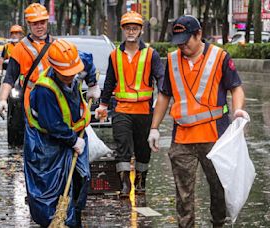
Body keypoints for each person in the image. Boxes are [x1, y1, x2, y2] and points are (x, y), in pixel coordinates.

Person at [147, 15, 250, 227]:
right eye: (179, 42)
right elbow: (164, 95)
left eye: (187, 40)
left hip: (215, 138)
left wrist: (238, 110)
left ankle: (218, 223)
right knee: (183, 193)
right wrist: (154, 128)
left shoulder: (220, 57)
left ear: (199, 35)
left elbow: (236, 88)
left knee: (218, 188)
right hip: (182, 138)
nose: (183, 46)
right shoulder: (173, 61)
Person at [0, 2, 100, 143]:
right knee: (37, 142)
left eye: (42, 22)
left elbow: (83, 61)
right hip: (34, 102)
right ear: (28, 24)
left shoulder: (57, 45)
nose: (39, 26)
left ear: (47, 22)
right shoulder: (20, 49)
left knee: (61, 135)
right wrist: (3, 99)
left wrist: (92, 84)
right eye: (35, 24)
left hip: (58, 97)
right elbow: (9, 77)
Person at [95, 11, 164, 197]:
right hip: (122, 109)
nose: (131, 31)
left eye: (134, 28)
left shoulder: (151, 54)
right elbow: (109, 82)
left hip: (144, 110)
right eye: (128, 28)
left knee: (143, 150)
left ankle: (140, 181)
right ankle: (125, 183)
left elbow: (161, 77)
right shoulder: (115, 55)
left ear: (141, 30)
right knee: (122, 146)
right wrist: (102, 105)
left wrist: (163, 97)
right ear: (123, 30)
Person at [23, 39, 91, 227]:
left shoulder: (74, 62)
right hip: (45, 145)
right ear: (54, 68)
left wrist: (92, 84)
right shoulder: (45, 91)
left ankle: (74, 220)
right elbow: (53, 125)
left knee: (78, 181)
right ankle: (58, 221)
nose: (70, 77)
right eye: (65, 75)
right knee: (50, 191)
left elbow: (89, 61)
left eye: (72, 73)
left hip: (71, 137)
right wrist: (73, 141)